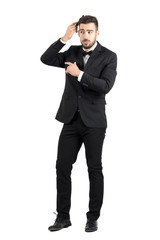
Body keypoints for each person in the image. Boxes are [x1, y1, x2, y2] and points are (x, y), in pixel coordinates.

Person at [40, 15, 117, 232]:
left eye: (89, 31)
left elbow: (106, 85)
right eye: (82, 31)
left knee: (94, 169)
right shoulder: (72, 52)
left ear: (97, 33)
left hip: (94, 123)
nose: (85, 35)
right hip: (70, 120)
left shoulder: (109, 56)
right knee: (62, 167)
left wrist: (80, 74)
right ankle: (63, 217)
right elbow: (45, 58)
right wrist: (65, 38)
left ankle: (92, 217)